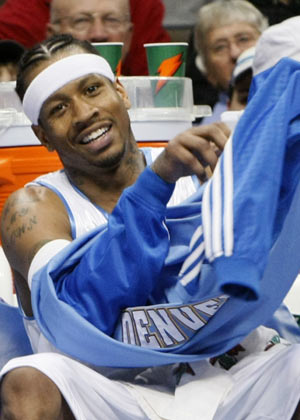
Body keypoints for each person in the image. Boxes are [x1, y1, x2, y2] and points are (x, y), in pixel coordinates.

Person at [1, 33, 300, 420]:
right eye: (58, 108)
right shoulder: (33, 208)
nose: (83, 113)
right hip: (111, 391)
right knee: (29, 380)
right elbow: (81, 308)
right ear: (42, 136)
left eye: (92, 89)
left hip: (227, 377)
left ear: (121, 93)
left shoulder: (201, 163)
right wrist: (153, 188)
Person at [0, 0, 170, 76]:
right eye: (81, 21)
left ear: (130, 32)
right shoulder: (19, 18)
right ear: (51, 35)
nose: (98, 34)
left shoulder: (144, 8)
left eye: (112, 20)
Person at [187, 0, 267, 124]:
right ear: (207, 70)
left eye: (243, 39)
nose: (235, 53)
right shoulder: (205, 135)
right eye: (220, 47)